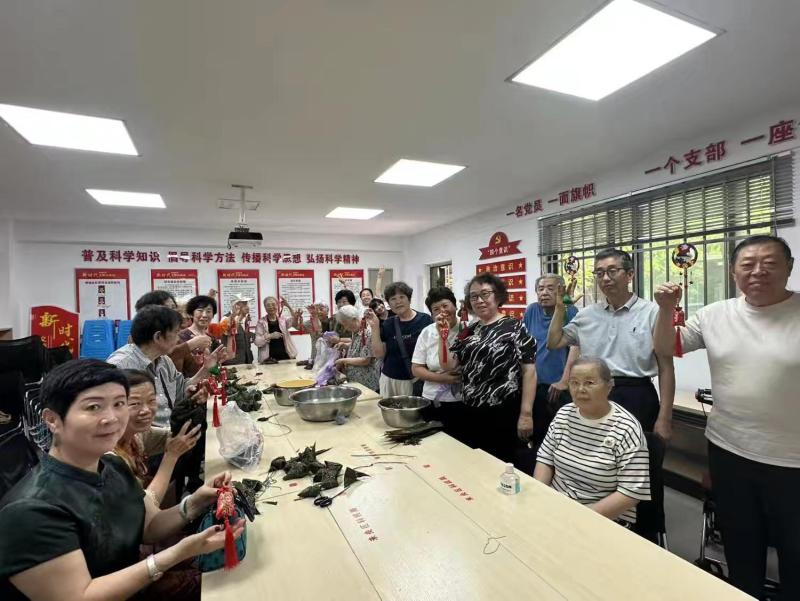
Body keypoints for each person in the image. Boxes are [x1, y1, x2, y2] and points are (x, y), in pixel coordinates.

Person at [0, 359, 243, 601]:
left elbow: (149, 527)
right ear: (52, 420)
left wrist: (196, 501)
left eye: (119, 404)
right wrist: (174, 555)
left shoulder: (114, 466)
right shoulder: (31, 511)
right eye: (93, 407)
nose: (112, 418)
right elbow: (80, 596)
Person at [652, 234, 800, 599]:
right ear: (733, 272)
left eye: (770, 263)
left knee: (794, 549)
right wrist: (666, 309)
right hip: (729, 450)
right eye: (748, 264)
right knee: (740, 543)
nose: (758, 271)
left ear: (789, 268)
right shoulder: (715, 314)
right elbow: (666, 346)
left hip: (792, 459)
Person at [546, 248, 675, 438]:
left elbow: (666, 367)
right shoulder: (587, 315)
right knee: (591, 451)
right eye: (599, 273)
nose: (605, 278)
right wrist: (560, 308)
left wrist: (665, 418)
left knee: (637, 453)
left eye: (612, 271)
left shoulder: (652, 312)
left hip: (637, 395)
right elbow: (554, 342)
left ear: (630, 274)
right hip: (593, 393)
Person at [535, 357, 650, 524]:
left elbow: (631, 493)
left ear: (609, 386)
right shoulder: (564, 414)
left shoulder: (626, 428)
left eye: (589, 383)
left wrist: (580, 517)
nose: (580, 389)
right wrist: (540, 495)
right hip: (557, 508)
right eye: (574, 383)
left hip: (603, 518)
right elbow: (545, 459)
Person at [440, 274, 537, 463]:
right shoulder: (468, 331)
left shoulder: (515, 327)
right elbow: (449, 365)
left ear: (498, 295)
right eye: (474, 296)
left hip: (503, 411)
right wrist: (443, 337)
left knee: (501, 463)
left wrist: (526, 414)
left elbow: (529, 372)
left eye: (485, 294)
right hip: (469, 409)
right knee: (474, 463)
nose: (479, 300)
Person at [108, 305, 220, 428]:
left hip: (169, 429)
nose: (178, 339)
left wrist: (206, 369)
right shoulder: (120, 366)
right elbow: (115, 420)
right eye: (176, 333)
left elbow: (181, 389)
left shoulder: (164, 360)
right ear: (158, 337)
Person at [115, 370, 201, 507]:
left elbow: (176, 436)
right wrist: (171, 456)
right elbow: (143, 508)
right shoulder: (111, 459)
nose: (146, 410)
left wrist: (190, 404)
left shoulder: (137, 435)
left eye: (151, 400)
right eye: (134, 404)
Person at [523, 274, 580, 452]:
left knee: (560, 441)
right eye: (540, 289)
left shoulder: (569, 311)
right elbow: (525, 345)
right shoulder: (532, 310)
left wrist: (564, 380)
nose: (544, 293)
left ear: (560, 291)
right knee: (537, 438)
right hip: (534, 385)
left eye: (550, 288)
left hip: (558, 387)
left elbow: (576, 347)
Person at [411, 287, 465, 438]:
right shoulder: (427, 332)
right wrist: (442, 378)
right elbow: (416, 368)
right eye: (436, 309)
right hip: (432, 399)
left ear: (455, 306)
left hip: (462, 401)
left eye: (445, 305)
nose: (442, 311)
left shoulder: (468, 328)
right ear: (432, 314)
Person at [365, 281, 432, 398]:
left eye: (402, 297)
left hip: (415, 380)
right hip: (389, 379)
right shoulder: (388, 324)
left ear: (409, 299)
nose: (398, 301)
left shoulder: (425, 320)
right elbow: (379, 354)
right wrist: (375, 327)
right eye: (393, 299)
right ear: (389, 303)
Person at [134, 291, 212, 378]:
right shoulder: (133, 352)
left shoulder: (175, 338)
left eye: (174, 308)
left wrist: (203, 362)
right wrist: (193, 344)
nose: (178, 314)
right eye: (168, 308)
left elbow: (188, 375)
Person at [333, 305, 379, 391]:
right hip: (355, 380)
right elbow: (359, 346)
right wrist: (346, 345)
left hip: (366, 383)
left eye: (346, 324)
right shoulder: (356, 330)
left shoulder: (368, 332)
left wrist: (343, 360)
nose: (345, 328)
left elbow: (365, 360)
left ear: (354, 319)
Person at [177, 295, 225, 378]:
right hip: (188, 383)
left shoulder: (212, 338)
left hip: (209, 383)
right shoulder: (181, 337)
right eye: (200, 311)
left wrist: (219, 361)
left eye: (208, 311)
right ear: (191, 314)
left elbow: (215, 369)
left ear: (213, 315)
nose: (204, 315)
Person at [254, 296, 299, 364]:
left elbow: (294, 323)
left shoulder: (282, 320)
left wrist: (288, 306)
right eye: (268, 305)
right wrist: (271, 336)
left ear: (277, 306)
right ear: (265, 308)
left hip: (286, 356)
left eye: (273, 304)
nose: (271, 307)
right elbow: (257, 342)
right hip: (269, 360)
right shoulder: (261, 322)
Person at [222, 294, 254, 366]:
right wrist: (237, 316)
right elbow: (229, 333)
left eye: (247, 304)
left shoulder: (244, 319)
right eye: (244, 304)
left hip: (246, 361)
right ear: (236, 306)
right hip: (232, 362)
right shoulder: (226, 319)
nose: (248, 307)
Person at [303, 301, 332, 369]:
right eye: (316, 309)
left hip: (328, 361)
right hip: (314, 361)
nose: (318, 311)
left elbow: (320, 332)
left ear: (327, 310)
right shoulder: (310, 323)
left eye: (321, 309)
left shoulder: (332, 322)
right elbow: (298, 326)